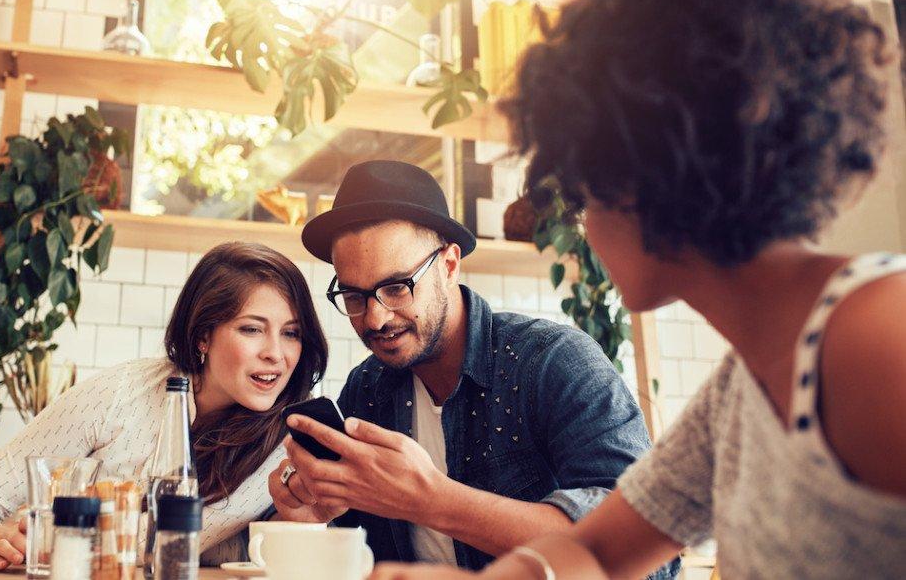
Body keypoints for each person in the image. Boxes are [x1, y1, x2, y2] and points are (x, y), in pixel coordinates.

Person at [368, 0, 906, 580]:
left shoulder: (877, 339)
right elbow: (597, 551)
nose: (586, 229)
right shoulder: (741, 388)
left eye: (586, 193)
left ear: (644, 176)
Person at [268, 160, 672, 577]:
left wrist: (430, 499)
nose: (374, 319)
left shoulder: (553, 363)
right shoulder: (367, 390)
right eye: (354, 296)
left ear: (449, 264)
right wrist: (312, 519)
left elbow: (650, 558)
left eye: (395, 288)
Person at [0, 241, 328, 571]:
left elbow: (165, 542)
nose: (277, 354)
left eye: (291, 333)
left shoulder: (290, 439)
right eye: (252, 329)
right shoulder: (122, 391)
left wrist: (46, 533)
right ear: (203, 335)